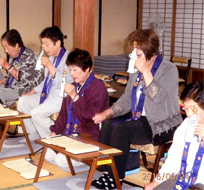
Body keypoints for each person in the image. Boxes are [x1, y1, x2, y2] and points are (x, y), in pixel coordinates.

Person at [91, 29, 183, 189]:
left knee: (121, 129)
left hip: (161, 123)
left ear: (152, 54)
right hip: (140, 117)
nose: (135, 58)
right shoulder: (136, 69)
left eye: (139, 54)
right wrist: (108, 112)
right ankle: (107, 171)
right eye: (134, 54)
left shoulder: (169, 70)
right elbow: (127, 98)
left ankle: (116, 178)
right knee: (108, 124)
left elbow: (159, 97)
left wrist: (146, 71)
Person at [45, 48, 109, 167]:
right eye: (70, 69)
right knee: (47, 153)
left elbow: (90, 117)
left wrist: (75, 97)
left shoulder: (98, 87)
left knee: (60, 160)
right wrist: (55, 132)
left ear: (87, 68)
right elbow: (63, 114)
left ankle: (88, 159)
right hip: (70, 134)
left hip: (89, 136)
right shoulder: (74, 86)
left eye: (75, 69)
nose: (72, 73)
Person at [144, 80, 204, 190]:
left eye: (193, 108)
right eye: (185, 108)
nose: (189, 114)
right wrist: (156, 182)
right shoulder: (186, 124)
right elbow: (173, 159)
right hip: (184, 179)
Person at [17, 26, 73, 141]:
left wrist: (49, 67)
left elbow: (65, 83)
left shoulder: (69, 59)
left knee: (36, 114)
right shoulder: (51, 58)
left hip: (61, 97)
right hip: (47, 94)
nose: (44, 47)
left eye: (47, 44)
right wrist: (32, 92)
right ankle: (32, 134)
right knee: (23, 101)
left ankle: (53, 139)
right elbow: (46, 81)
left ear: (57, 43)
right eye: (43, 44)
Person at [0, 29, 42, 104]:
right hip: (10, 87)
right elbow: (8, 77)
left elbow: (21, 78)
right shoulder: (13, 56)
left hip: (25, 89)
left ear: (16, 45)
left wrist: (6, 65)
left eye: (7, 47)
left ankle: (0, 114)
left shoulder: (29, 55)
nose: (6, 51)